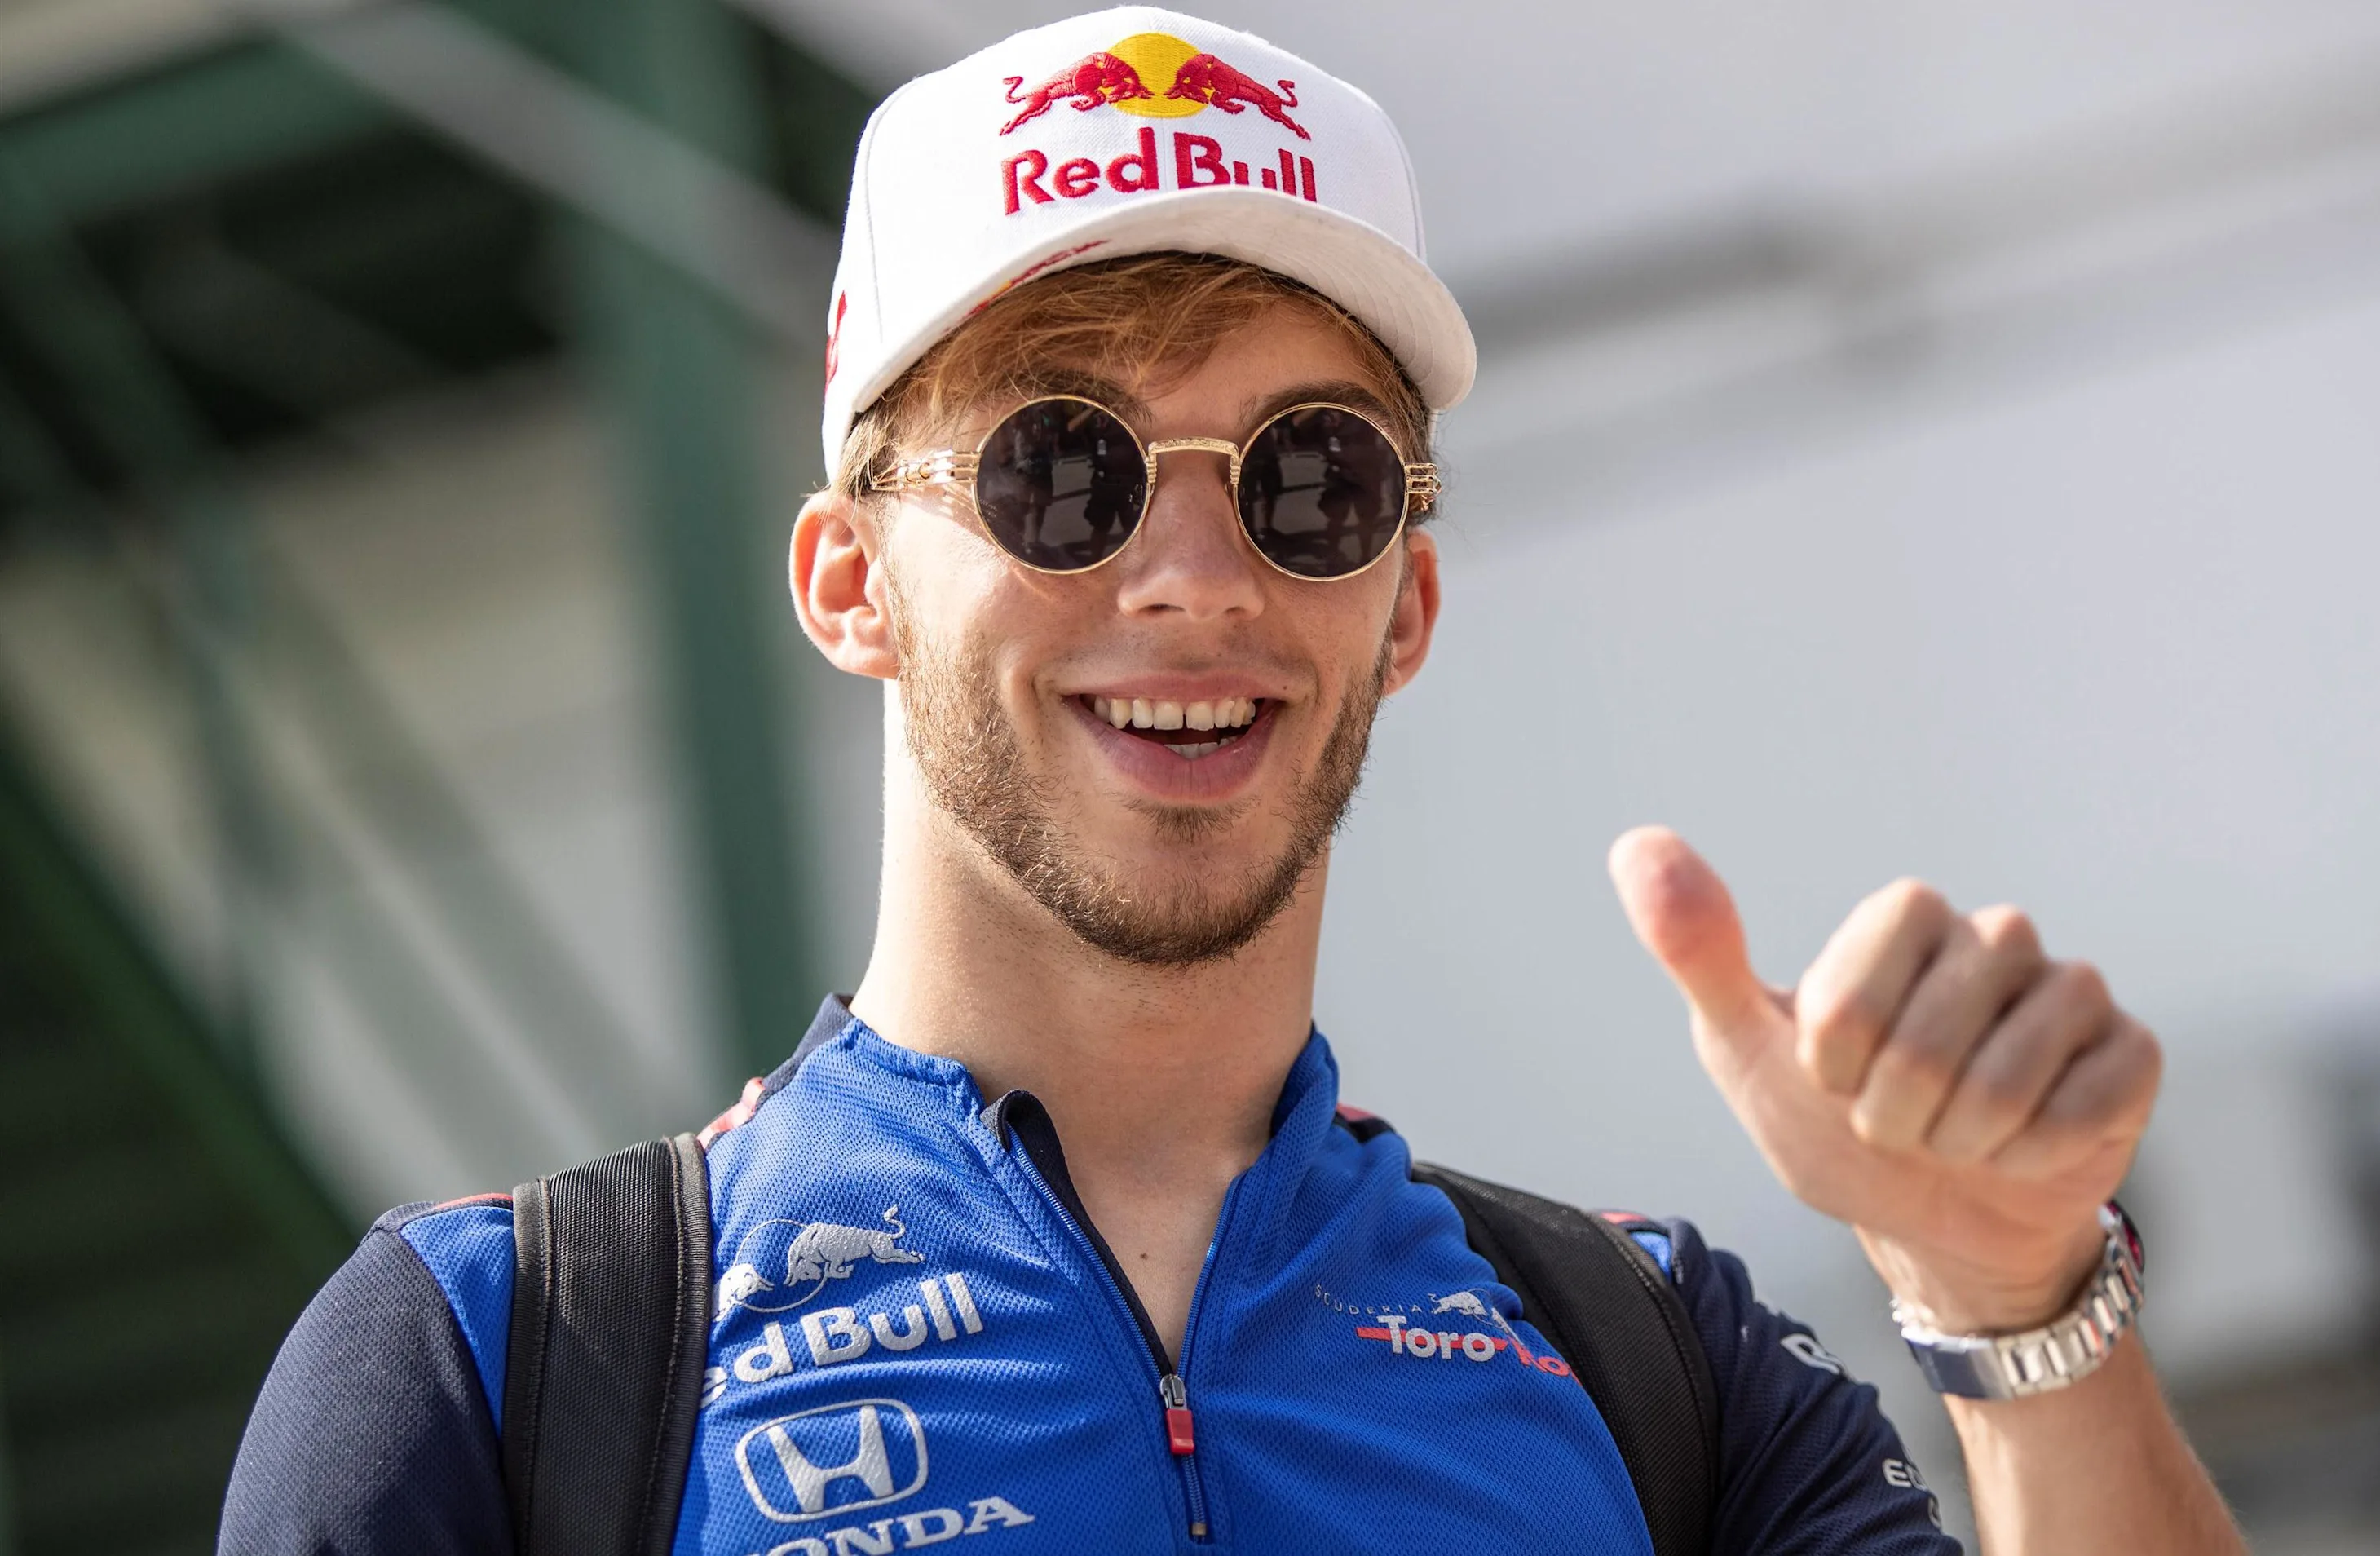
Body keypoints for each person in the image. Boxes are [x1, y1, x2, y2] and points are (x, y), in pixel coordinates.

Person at [223, 9, 2245, 1553]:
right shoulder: (494, 1369)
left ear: (1409, 601)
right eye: (1064, 469)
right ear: (850, 583)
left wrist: (2009, 1297)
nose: (1193, 580)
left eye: (1309, 481)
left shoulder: (1658, 1373)